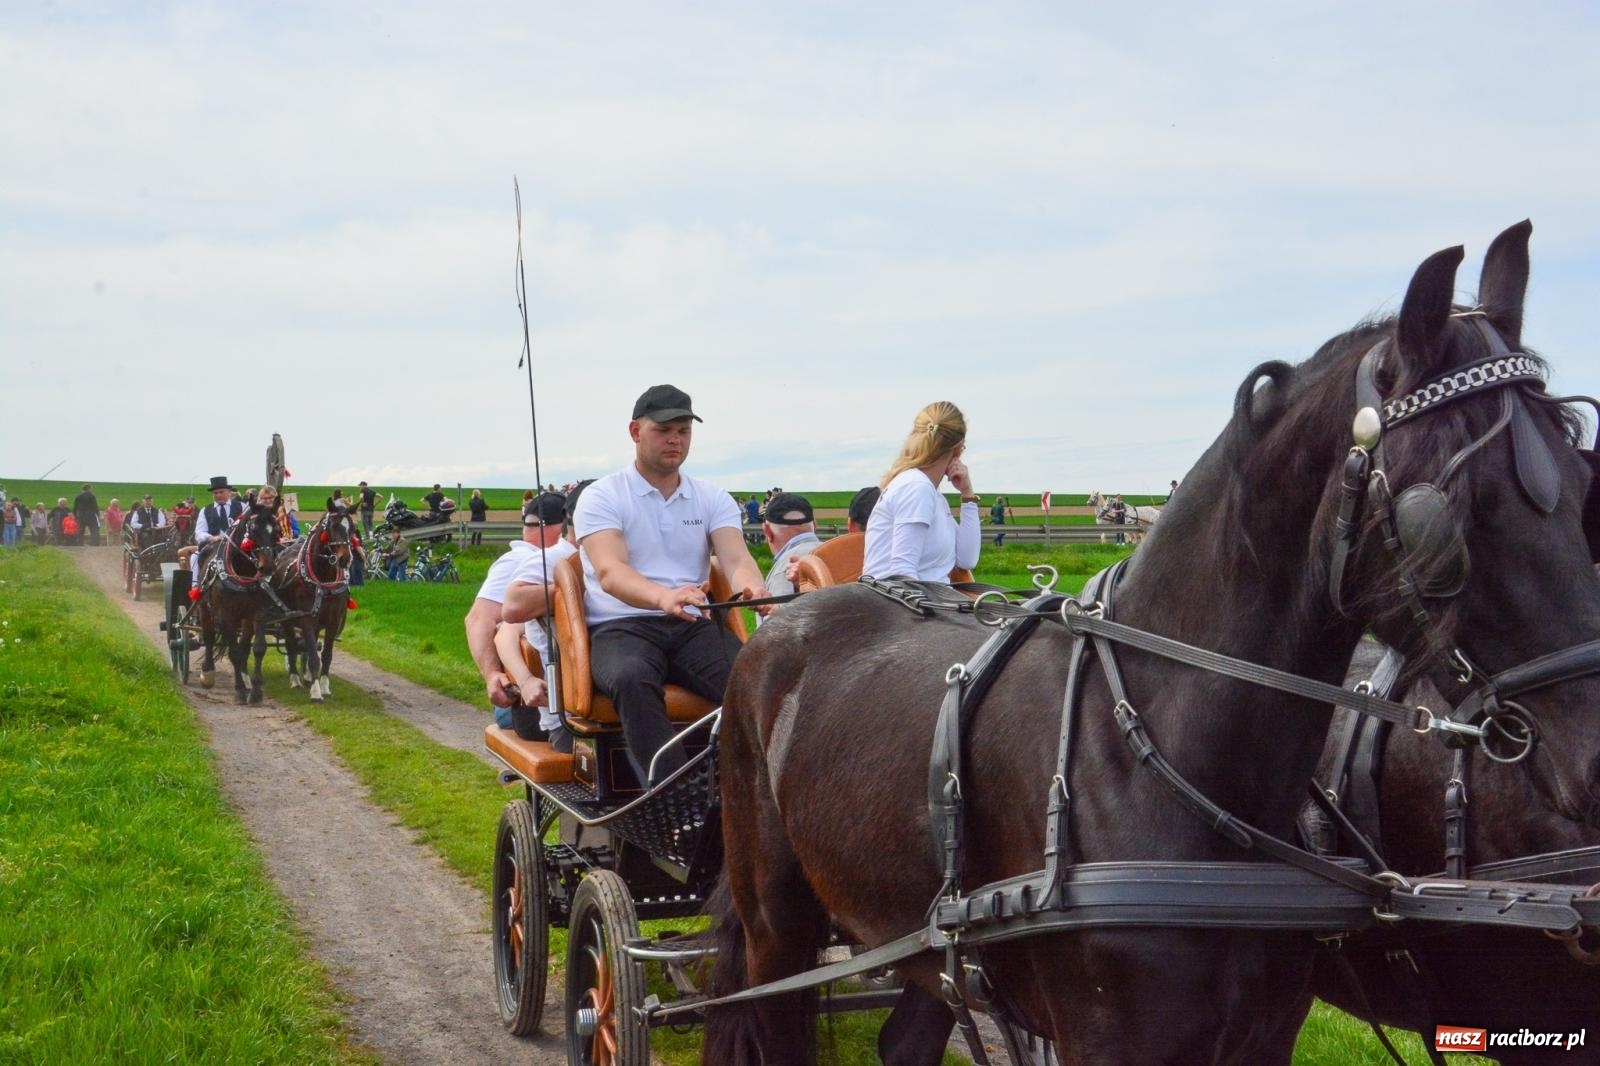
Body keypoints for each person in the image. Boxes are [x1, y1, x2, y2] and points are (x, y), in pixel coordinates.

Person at [574, 384, 767, 784]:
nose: (675, 439)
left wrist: (753, 589)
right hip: (621, 626)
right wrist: (664, 596)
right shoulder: (602, 496)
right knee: (631, 678)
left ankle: (746, 789)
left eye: (683, 430)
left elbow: (736, 559)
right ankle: (673, 798)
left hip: (691, 625)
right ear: (635, 432)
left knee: (752, 678)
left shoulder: (711, 498)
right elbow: (610, 572)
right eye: (664, 430)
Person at [464, 491, 568, 715]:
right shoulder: (523, 561)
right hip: (527, 700)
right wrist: (493, 676)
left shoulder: (535, 559)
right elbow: (478, 619)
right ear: (561, 528)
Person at [494, 489, 583, 749]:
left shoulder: (612, 563)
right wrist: (525, 680)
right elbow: (506, 629)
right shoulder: (544, 563)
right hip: (560, 708)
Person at [862, 401, 982, 582]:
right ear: (958, 449)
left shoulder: (931, 492)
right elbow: (903, 572)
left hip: (927, 599)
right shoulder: (917, 488)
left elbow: (967, 560)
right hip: (904, 602)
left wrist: (967, 495)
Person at [760, 492, 821, 600]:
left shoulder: (786, 570)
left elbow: (777, 616)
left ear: (767, 531)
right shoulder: (839, 553)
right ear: (815, 525)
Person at [192, 476, 245, 585]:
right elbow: (199, 532)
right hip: (214, 545)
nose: (218, 495)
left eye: (221, 492)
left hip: (238, 546)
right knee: (194, 557)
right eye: (215, 493)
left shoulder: (242, 507)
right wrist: (212, 538)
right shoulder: (205, 511)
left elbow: (249, 526)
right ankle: (196, 586)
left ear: (229, 492)